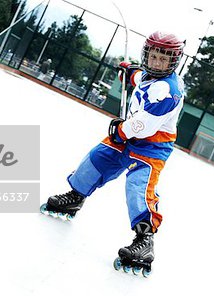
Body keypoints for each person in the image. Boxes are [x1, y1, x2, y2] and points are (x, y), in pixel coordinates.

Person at [41, 31, 186, 275]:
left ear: (173, 62)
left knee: (138, 187)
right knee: (98, 158)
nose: (157, 62)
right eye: (153, 56)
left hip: (151, 145)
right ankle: (76, 196)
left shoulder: (168, 90)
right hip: (129, 134)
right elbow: (141, 78)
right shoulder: (151, 76)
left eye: (164, 59)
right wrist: (131, 73)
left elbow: (145, 126)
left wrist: (121, 130)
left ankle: (144, 240)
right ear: (147, 55)